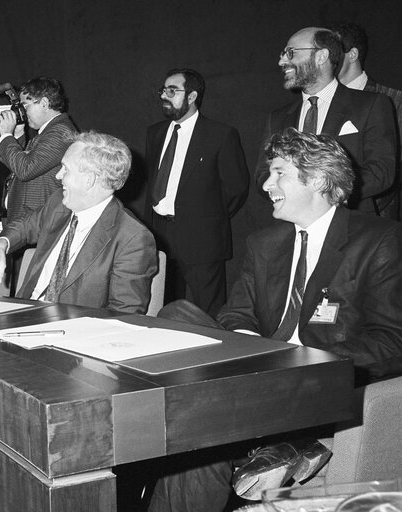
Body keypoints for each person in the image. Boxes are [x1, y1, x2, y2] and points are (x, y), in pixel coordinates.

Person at [147, 129, 402, 512]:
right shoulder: (265, 244)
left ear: (316, 180)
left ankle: (273, 441)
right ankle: (271, 444)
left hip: (318, 383)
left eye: (278, 173)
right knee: (176, 315)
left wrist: (300, 359)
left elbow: (391, 341)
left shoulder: (378, 239)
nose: (266, 185)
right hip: (257, 377)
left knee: (198, 431)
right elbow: (237, 314)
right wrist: (257, 352)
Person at [0, 131, 156, 314]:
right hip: (23, 314)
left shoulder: (132, 238)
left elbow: (123, 315)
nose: (58, 176)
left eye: (65, 169)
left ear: (89, 180)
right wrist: (0, 244)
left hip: (76, 333)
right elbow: (24, 226)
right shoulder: (58, 202)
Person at [254, 27, 397, 220]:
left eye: (290, 53)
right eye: (283, 54)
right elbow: (263, 174)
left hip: (351, 228)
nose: (282, 61)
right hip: (292, 229)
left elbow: (382, 172)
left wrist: (322, 192)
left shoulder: (371, 105)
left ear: (321, 56)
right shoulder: (278, 117)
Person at [145, 68, 248, 316]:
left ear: (191, 96)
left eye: (172, 90)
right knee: (163, 308)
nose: (164, 95)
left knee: (208, 313)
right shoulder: (155, 133)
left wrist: (205, 217)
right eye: (163, 90)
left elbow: (236, 189)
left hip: (202, 238)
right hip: (159, 233)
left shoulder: (220, 135)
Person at [332, 21, 402, 220]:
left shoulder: (395, 101)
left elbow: (393, 171)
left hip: (377, 222)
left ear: (352, 55)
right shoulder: (317, 101)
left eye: (333, 51)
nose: (324, 58)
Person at [0, 76, 78, 222]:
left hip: (39, 228)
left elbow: (26, 169)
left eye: (25, 106)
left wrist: (6, 136)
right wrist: (18, 134)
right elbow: (19, 164)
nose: (22, 112)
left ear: (44, 103)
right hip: (27, 226)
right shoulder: (47, 133)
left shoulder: (61, 132)